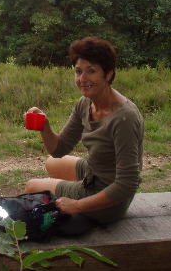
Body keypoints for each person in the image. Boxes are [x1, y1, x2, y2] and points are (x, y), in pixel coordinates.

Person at [25, 36, 144, 224]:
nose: (82, 79)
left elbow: (127, 184)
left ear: (109, 74)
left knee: (32, 187)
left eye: (91, 71)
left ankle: (78, 200)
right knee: (51, 163)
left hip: (110, 198)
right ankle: (71, 190)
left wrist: (77, 205)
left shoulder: (124, 118)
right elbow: (58, 149)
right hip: (94, 172)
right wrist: (44, 126)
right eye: (78, 71)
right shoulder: (85, 103)